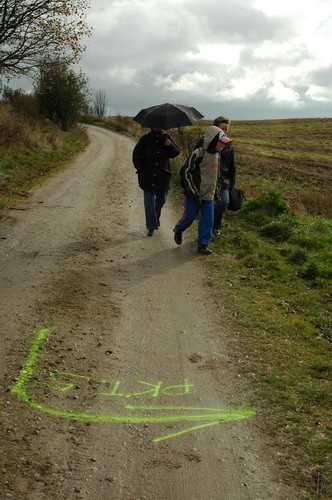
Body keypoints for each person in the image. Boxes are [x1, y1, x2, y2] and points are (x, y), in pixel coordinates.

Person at [173, 126, 232, 254]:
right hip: (193, 194)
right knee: (189, 217)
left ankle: (203, 245)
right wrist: (192, 190)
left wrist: (216, 194)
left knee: (208, 220)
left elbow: (216, 177)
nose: (223, 145)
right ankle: (178, 229)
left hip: (208, 196)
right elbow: (186, 171)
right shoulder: (199, 153)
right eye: (221, 142)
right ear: (211, 140)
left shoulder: (218, 156)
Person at [132, 128, 181, 236]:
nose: (157, 126)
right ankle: (151, 226)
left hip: (163, 176)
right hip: (147, 176)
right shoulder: (145, 139)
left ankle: (155, 218)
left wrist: (170, 145)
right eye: (155, 124)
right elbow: (136, 156)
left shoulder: (166, 137)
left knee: (161, 200)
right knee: (149, 202)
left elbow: (176, 153)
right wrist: (141, 169)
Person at [196, 116, 236, 237]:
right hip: (206, 178)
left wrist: (232, 179)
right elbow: (195, 159)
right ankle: (205, 232)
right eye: (222, 129)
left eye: (226, 129)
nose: (225, 132)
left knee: (224, 202)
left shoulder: (228, 144)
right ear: (215, 128)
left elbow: (231, 162)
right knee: (208, 205)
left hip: (222, 179)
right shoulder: (203, 141)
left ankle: (216, 226)